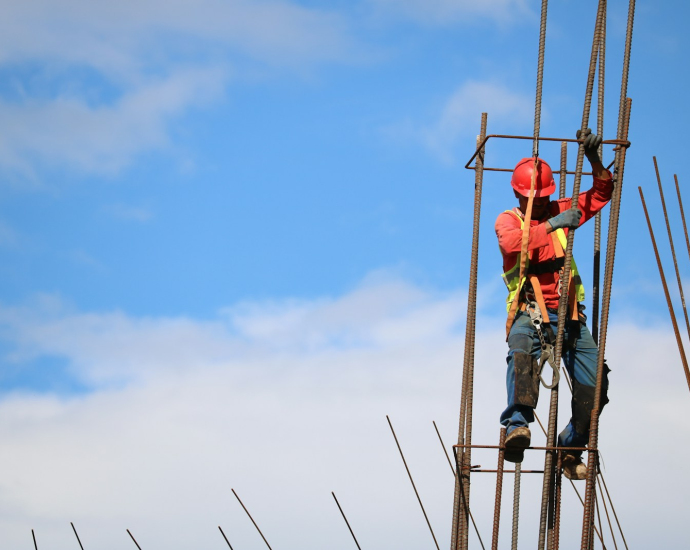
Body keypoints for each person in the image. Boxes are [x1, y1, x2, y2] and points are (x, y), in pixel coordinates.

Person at [494, 129, 611, 479]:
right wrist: (553, 223)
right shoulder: (508, 221)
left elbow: (601, 193)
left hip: (570, 318)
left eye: (545, 198)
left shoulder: (560, 210)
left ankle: (569, 448)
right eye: (536, 199)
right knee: (520, 350)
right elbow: (514, 244)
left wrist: (594, 161)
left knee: (596, 391)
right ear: (519, 194)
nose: (542, 204)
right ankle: (517, 424)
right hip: (530, 313)